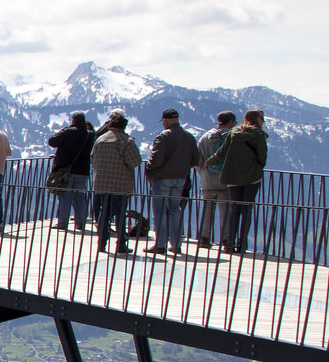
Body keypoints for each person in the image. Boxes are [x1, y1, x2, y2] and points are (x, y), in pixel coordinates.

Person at [142, 108, 198, 255]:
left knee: (159, 210)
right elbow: (196, 159)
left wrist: (149, 169)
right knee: (175, 210)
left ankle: (160, 245)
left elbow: (157, 159)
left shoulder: (163, 137)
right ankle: (176, 244)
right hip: (181, 178)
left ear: (165, 121)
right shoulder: (189, 137)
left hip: (162, 178)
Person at [216, 109, 268, 254]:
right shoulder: (259, 135)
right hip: (252, 177)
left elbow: (222, 151)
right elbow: (262, 157)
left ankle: (229, 243)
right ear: (257, 119)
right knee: (246, 209)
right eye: (262, 118)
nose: (263, 121)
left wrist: (209, 162)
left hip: (233, 177)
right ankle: (242, 244)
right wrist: (257, 167)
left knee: (234, 209)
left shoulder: (234, 133)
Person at [88, 111, 142, 253]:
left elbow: (92, 158)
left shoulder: (100, 139)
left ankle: (101, 243)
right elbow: (135, 161)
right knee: (120, 215)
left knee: (103, 214)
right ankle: (121, 244)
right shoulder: (126, 141)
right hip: (120, 183)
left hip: (101, 183)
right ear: (124, 126)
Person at [193, 110, 237, 248]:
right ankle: (225, 240)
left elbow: (198, 161)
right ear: (230, 122)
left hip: (207, 178)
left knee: (207, 209)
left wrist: (204, 174)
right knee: (225, 210)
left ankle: (204, 238)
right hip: (225, 179)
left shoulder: (205, 137)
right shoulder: (232, 137)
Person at [47, 112, 94, 231]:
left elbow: (52, 141)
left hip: (66, 169)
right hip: (83, 170)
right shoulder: (90, 135)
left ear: (73, 120)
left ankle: (63, 222)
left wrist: (63, 130)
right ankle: (80, 223)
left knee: (65, 196)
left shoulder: (68, 132)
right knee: (80, 197)